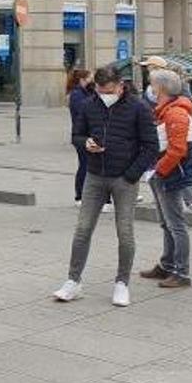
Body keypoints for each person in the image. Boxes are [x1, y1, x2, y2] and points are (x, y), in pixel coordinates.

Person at [55, 65, 159, 307]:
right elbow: (76, 135)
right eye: (100, 90)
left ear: (120, 86)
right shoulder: (90, 105)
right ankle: (73, 281)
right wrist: (86, 143)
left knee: (125, 233)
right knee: (82, 231)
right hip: (95, 175)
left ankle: (122, 283)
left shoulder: (138, 108)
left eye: (109, 90)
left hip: (124, 178)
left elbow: (151, 146)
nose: (105, 95)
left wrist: (131, 175)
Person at [139, 69, 192, 289]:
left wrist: (158, 170)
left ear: (162, 89)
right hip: (164, 172)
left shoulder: (175, 113)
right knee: (166, 222)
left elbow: (177, 150)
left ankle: (181, 272)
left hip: (170, 173)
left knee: (176, 224)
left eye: (153, 86)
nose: (151, 90)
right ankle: (167, 264)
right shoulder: (166, 110)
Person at [66, 69, 97, 206]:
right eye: (90, 78)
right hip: (81, 135)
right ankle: (79, 196)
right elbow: (84, 112)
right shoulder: (77, 95)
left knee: (89, 165)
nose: (92, 81)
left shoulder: (86, 93)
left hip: (87, 134)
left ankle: (87, 195)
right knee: (84, 165)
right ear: (82, 80)